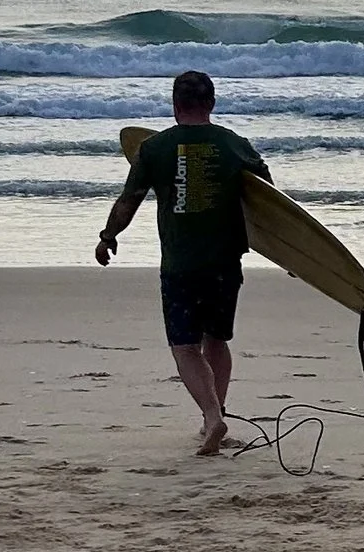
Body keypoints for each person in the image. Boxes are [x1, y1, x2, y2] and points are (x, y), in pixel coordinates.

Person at [95, 70, 269, 455]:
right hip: (225, 263)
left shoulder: (154, 149)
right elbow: (269, 205)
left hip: (180, 264)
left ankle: (211, 417)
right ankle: (217, 411)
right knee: (217, 341)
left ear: (175, 106)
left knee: (184, 347)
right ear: (212, 103)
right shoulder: (236, 146)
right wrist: (296, 257)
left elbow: (129, 200)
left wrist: (108, 237)